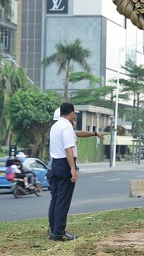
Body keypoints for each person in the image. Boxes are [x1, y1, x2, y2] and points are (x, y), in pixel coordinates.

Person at [47, 102, 80, 241]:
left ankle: (53, 229)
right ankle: (60, 232)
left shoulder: (55, 126)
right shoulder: (66, 126)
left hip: (54, 163)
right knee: (63, 199)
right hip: (64, 163)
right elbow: (68, 149)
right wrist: (73, 168)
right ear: (71, 113)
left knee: (55, 199)